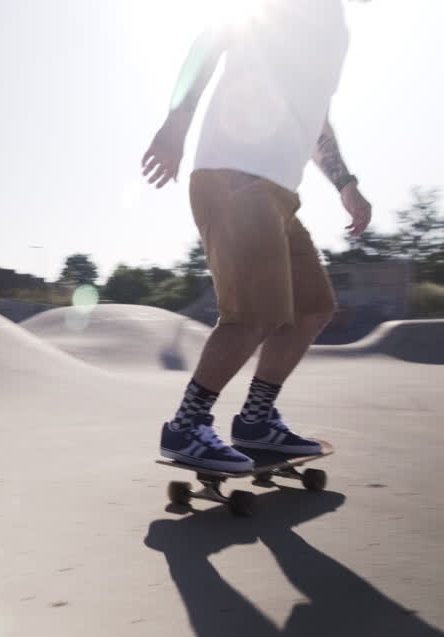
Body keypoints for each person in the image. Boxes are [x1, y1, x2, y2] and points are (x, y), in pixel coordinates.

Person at [142, 0, 373, 473]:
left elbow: (316, 119)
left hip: (279, 193)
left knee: (312, 306)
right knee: (254, 314)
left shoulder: (336, 30)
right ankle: (186, 425)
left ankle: (255, 421)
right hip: (232, 174)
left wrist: (345, 183)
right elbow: (211, 38)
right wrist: (176, 122)